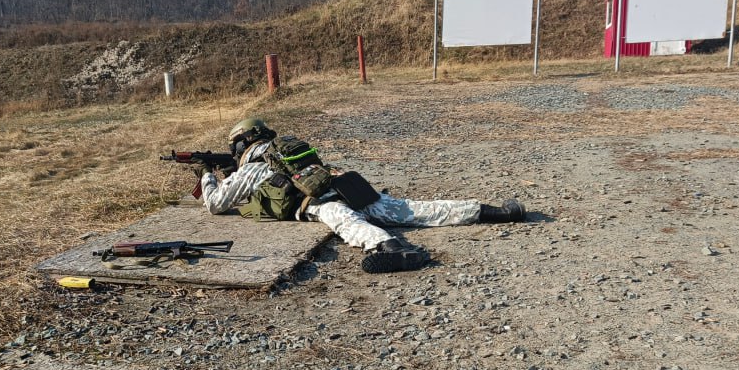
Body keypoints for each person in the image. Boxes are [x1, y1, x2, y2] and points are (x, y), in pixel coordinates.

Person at [198, 118, 525, 274]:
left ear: (242, 144)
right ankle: (497, 211)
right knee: (412, 209)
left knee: (348, 223)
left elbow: (216, 204)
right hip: (347, 187)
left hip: (320, 203)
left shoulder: (252, 166)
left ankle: (394, 250)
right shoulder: (287, 146)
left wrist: (207, 176)